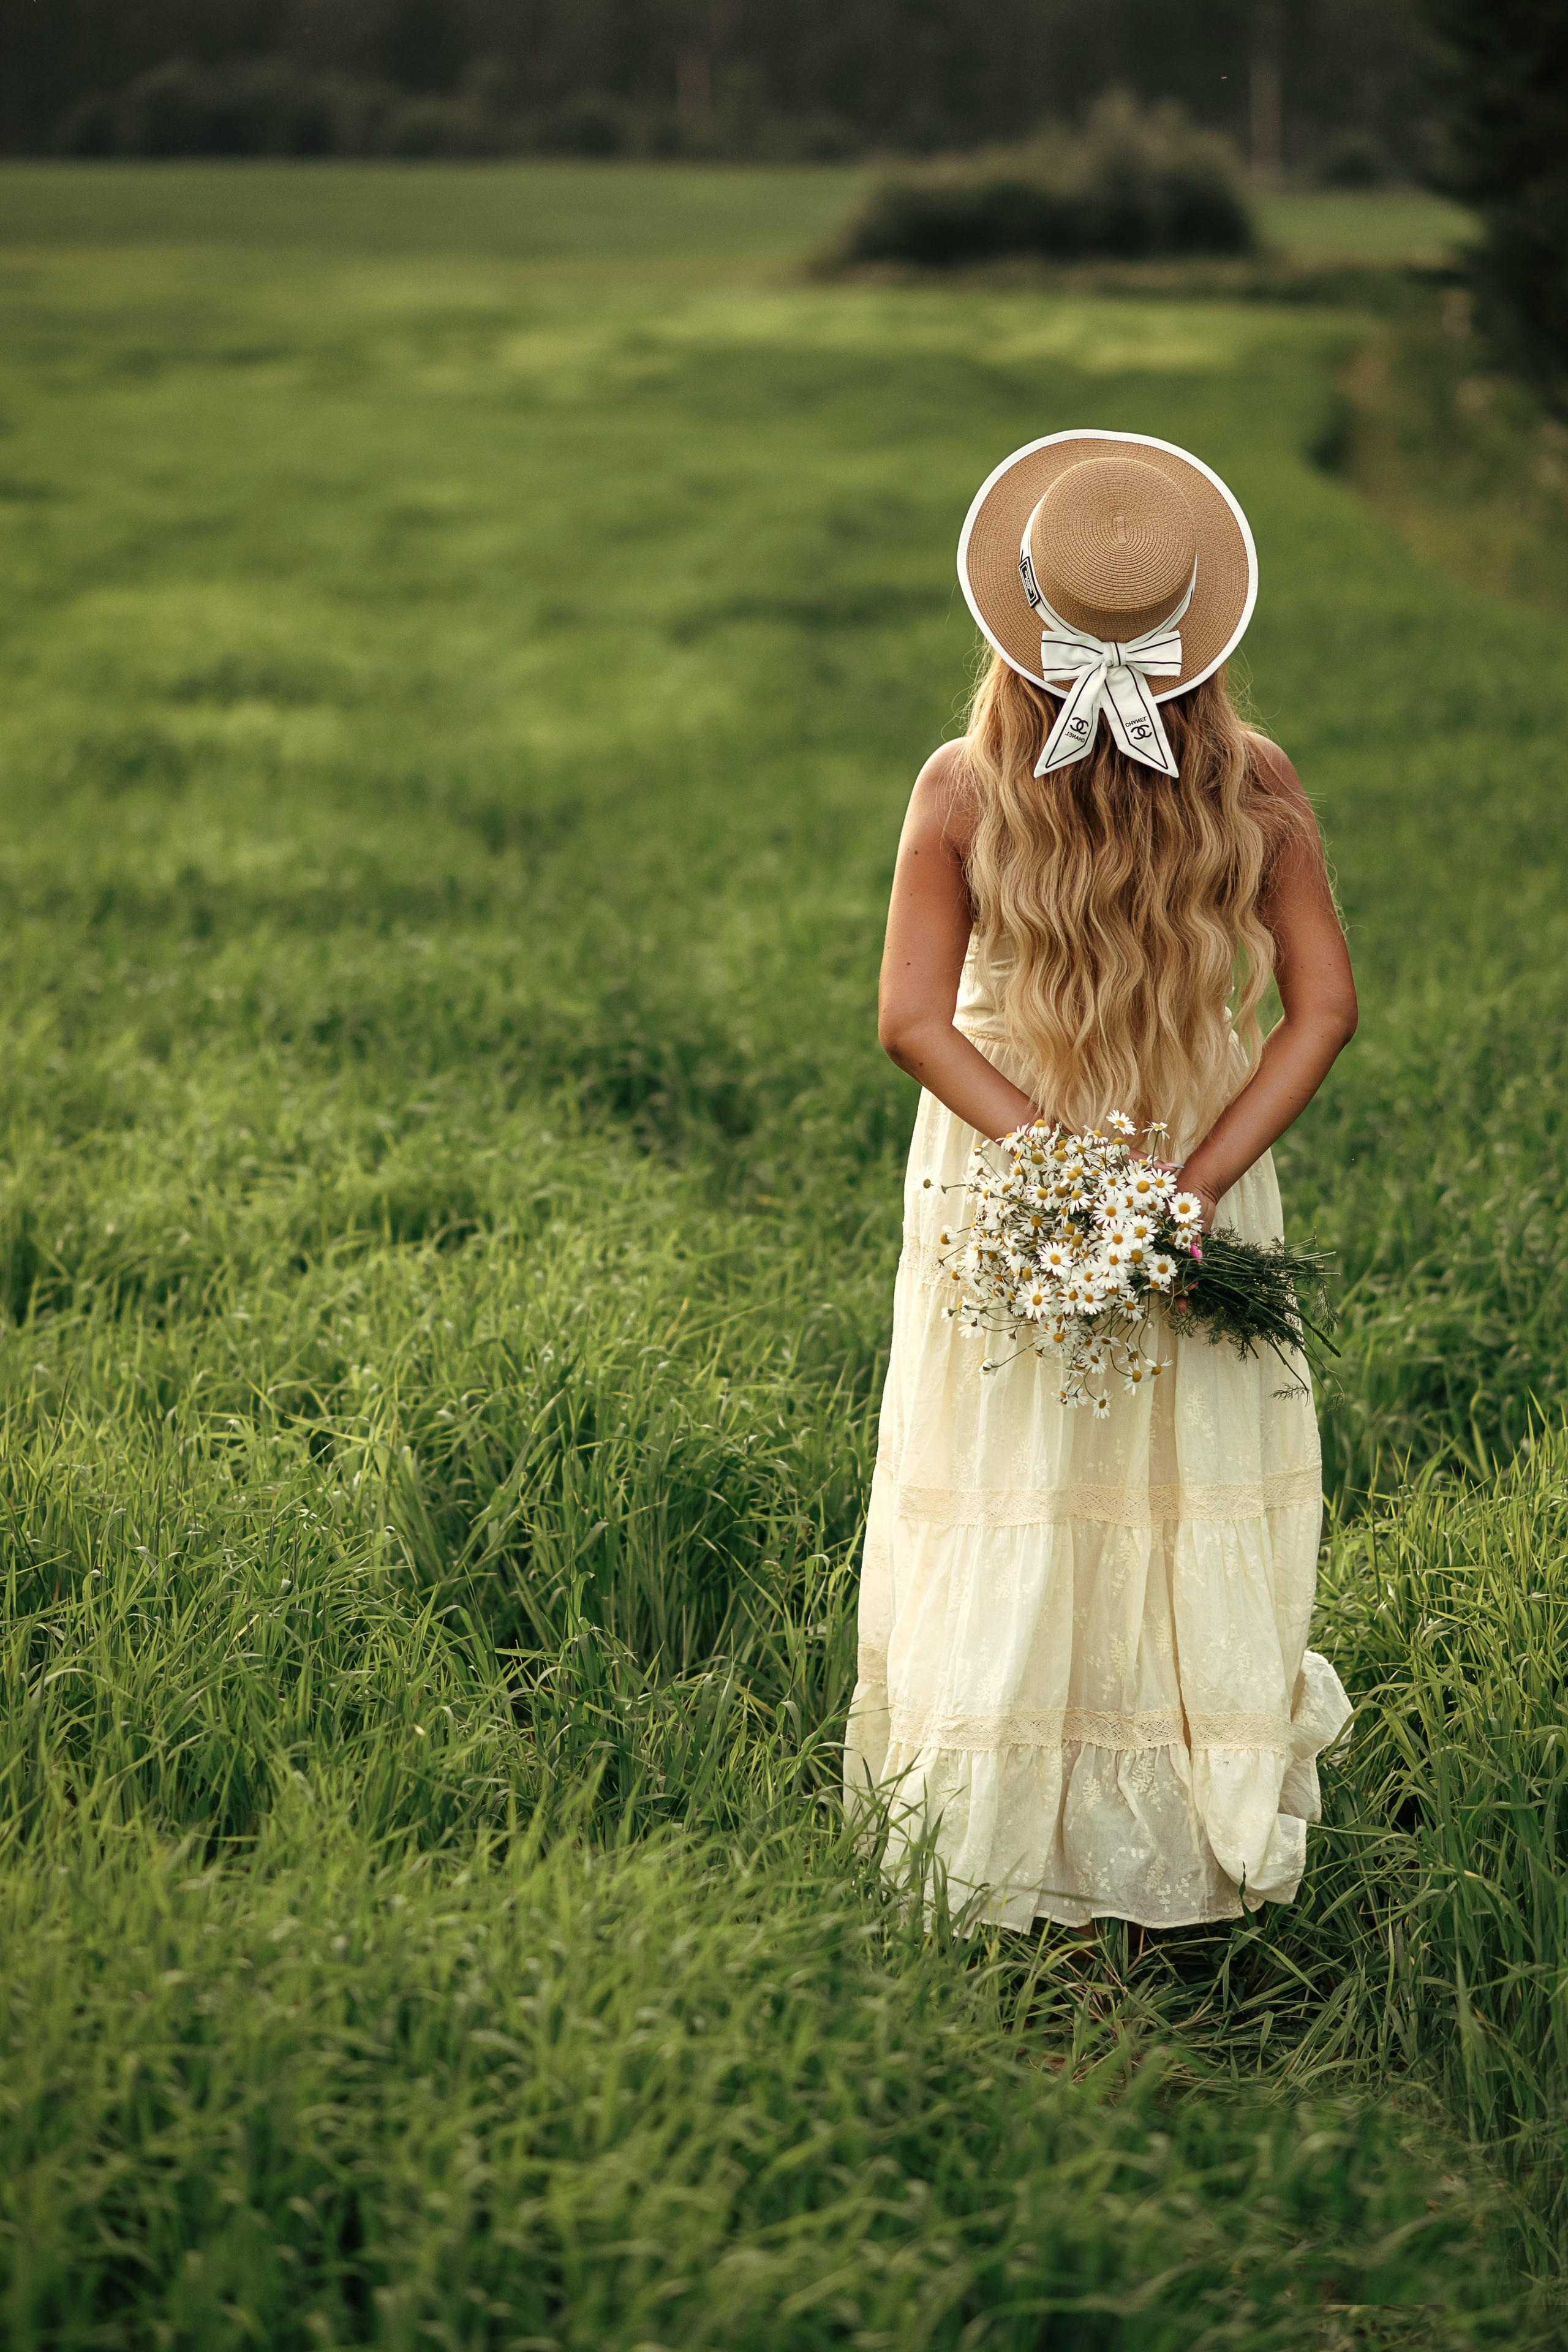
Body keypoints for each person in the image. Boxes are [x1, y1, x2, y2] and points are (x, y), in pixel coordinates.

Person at [844, 432, 1359, 1934]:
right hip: (1189, 1156)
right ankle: (1181, 1829)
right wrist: (1179, 1189)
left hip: (1003, 1163)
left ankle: (995, 1834)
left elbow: (909, 1020)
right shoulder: (1251, 779)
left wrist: (1057, 1173)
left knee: (1011, 1479)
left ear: (1012, 611)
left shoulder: (961, 782)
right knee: (1178, 1481)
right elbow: (1321, 1011)